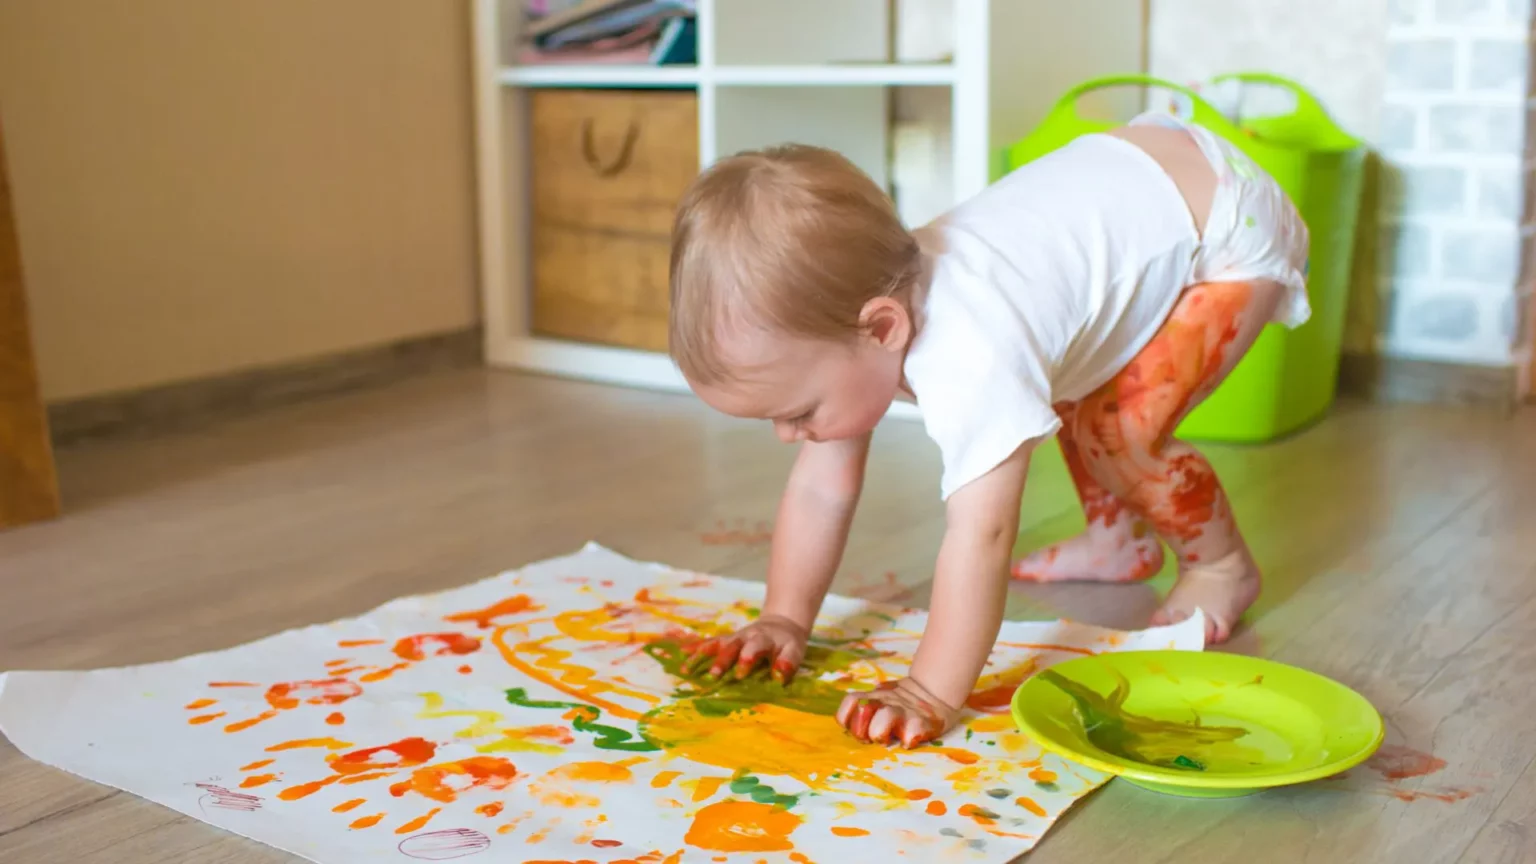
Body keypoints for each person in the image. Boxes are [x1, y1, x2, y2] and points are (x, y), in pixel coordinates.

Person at [666, 111, 1309, 749]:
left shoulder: (973, 354)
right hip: (1141, 178)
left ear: (884, 328)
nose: (789, 435)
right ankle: (1120, 542)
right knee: (1080, 388)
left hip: (1219, 216)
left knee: (1122, 428)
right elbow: (819, 491)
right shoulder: (853, 311)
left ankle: (1222, 565)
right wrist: (783, 618)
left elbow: (983, 534)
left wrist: (929, 690)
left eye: (800, 412)